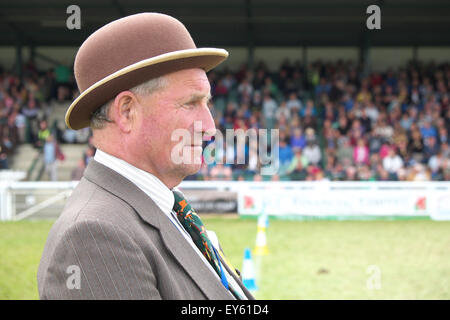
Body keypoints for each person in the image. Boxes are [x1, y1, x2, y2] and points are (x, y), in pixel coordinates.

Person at [37, 13, 254, 300]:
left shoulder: (164, 206)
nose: (210, 127)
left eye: (207, 103)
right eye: (191, 104)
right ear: (127, 111)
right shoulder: (94, 237)